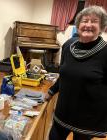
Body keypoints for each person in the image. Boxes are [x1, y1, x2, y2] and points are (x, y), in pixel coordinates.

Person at [45, 5, 107, 140]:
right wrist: (51, 91)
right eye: (85, 21)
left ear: (102, 27)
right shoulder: (68, 45)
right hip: (63, 112)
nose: (88, 25)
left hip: (88, 119)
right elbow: (64, 74)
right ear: (78, 24)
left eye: (94, 21)